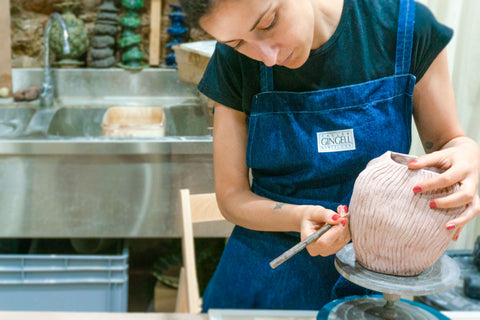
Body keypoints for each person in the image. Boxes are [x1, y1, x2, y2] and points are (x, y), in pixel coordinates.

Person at [179, 0, 480, 311]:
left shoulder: (404, 26)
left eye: (269, 23)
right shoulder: (233, 61)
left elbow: (448, 142)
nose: (267, 57)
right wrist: (297, 217)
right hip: (265, 276)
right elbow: (231, 197)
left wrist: (467, 154)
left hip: (377, 278)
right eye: (237, 42)